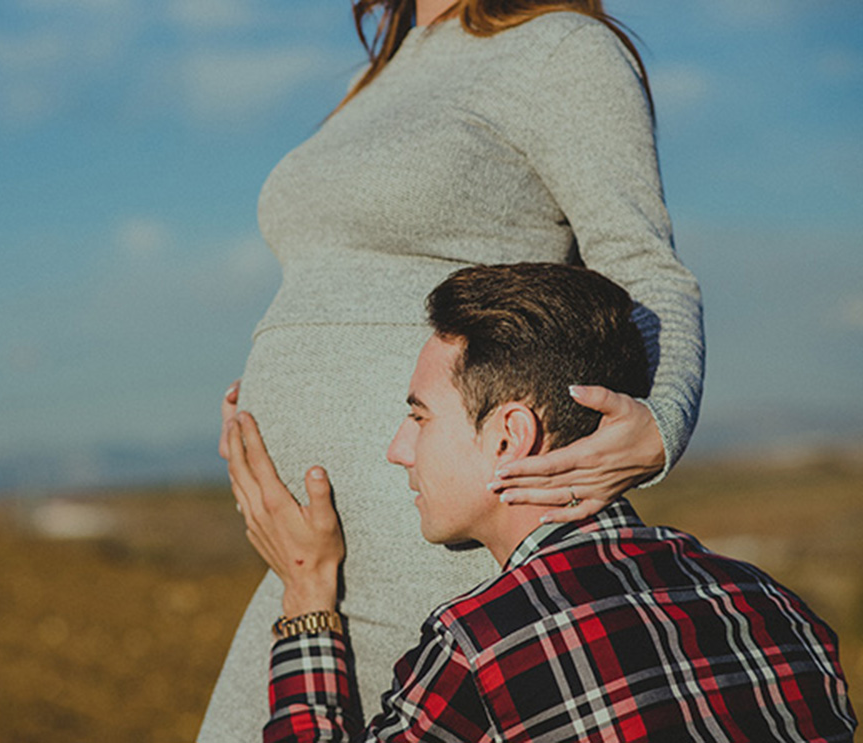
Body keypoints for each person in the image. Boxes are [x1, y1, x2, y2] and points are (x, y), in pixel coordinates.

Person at [200, 2, 705, 738]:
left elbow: (642, 266)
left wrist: (660, 422)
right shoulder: (389, 68)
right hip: (302, 557)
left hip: (435, 547)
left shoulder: (560, 48)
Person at [227, 263, 857, 742]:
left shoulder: (479, 650)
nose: (399, 449)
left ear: (510, 436)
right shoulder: (777, 611)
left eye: (419, 417)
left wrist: (308, 596)